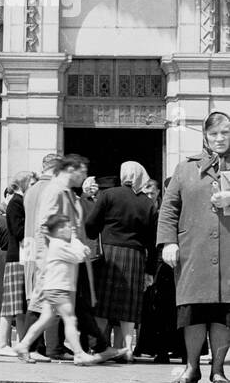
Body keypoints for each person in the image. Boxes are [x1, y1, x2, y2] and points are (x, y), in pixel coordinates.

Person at [157, 110, 230, 383]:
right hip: (194, 253)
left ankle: (219, 371)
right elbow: (169, 208)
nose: (219, 138)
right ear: (205, 136)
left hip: (227, 255)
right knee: (193, 311)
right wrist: (168, 242)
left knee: (224, 313)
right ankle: (191, 368)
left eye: (225, 132)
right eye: (214, 134)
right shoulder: (185, 168)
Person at [28, 154, 118, 361]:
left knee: (73, 305)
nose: (84, 176)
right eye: (82, 172)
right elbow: (47, 224)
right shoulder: (56, 190)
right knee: (45, 303)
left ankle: (98, 346)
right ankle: (28, 345)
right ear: (71, 170)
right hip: (58, 259)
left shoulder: (67, 192)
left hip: (68, 259)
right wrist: (65, 249)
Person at [85, 160, 156, 360]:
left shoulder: (108, 195)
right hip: (135, 256)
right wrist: (150, 271)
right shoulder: (148, 203)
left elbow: (91, 224)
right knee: (129, 307)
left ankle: (99, 346)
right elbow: (152, 241)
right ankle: (127, 349)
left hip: (109, 253)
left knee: (102, 305)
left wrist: (95, 233)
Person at [16, 214, 100, 365]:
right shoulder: (58, 245)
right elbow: (78, 256)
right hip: (58, 289)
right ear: (59, 230)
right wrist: (80, 244)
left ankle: (23, 345)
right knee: (70, 319)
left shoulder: (59, 243)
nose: (70, 228)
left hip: (54, 288)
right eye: (67, 226)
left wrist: (79, 245)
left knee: (45, 320)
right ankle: (79, 353)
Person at [20, 153, 62, 355]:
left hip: (29, 250)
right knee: (43, 300)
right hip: (45, 250)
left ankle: (37, 346)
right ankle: (38, 346)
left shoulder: (31, 190)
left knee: (34, 298)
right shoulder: (54, 189)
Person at [136, 177, 179, 364]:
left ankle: (165, 350)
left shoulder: (164, 212)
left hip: (166, 264)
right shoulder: (162, 212)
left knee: (164, 309)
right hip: (167, 264)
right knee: (166, 309)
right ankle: (170, 350)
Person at [0, 174, 32, 356]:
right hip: (16, 257)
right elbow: (17, 230)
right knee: (11, 304)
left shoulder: (20, 201)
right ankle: (2, 344)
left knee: (20, 304)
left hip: (21, 257)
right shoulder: (16, 202)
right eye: (31, 183)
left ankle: (22, 343)